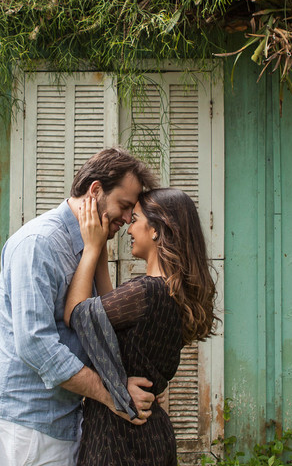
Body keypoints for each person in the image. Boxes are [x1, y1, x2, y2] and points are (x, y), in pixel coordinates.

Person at [0, 148, 160, 466]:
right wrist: (114, 394)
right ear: (95, 190)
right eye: (124, 205)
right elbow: (35, 344)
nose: (127, 218)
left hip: (62, 422)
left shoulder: (88, 245)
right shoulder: (40, 243)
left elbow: (101, 329)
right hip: (27, 425)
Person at [64, 187, 218, 466]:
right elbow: (109, 321)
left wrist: (90, 249)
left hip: (118, 438)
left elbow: (77, 316)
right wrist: (101, 253)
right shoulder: (171, 293)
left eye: (134, 220)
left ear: (156, 230)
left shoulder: (147, 291)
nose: (129, 228)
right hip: (151, 434)